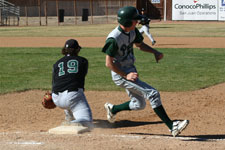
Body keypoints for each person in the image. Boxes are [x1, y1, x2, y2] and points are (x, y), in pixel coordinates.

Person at [102, 6, 189, 137]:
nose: (137, 22)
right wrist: (126, 75)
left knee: (139, 104)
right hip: (121, 75)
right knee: (153, 94)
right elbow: (108, 63)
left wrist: (155, 52)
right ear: (127, 22)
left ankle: (113, 109)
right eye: (134, 20)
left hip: (130, 71)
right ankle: (172, 127)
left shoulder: (132, 31)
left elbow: (140, 45)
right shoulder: (113, 39)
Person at [51, 39, 93, 130]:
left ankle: (69, 115)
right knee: (87, 122)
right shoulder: (83, 61)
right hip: (72, 96)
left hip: (56, 98)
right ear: (77, 50)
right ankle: (72, 122)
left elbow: (54, 82)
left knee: (68, 88)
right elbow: (79, 77)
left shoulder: (56, 64)